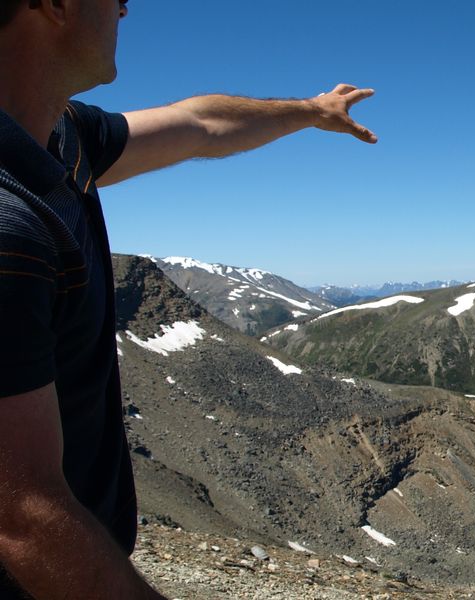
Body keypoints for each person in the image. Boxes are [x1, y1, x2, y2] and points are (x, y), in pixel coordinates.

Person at [0, 1, 377, 597]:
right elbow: (20, 516)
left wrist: (312, 110)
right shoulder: (9, 225)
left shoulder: (62, 135)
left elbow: (199, 123)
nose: (126, 7)